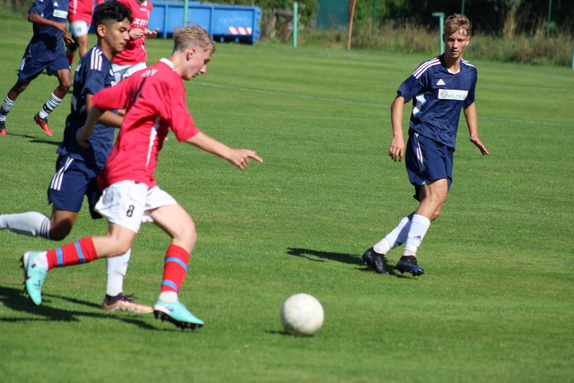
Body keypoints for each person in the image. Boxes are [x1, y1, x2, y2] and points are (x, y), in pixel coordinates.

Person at [21, 25, 264, 330]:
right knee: (118, 243)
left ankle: (168, 299)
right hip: (129, 172)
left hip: (138, 175)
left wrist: (86, 130)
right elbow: (185, 132)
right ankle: (41, 261)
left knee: (185, 230)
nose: (203, 70)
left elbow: (101, 101)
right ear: (190, 53)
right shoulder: (168, 81)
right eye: (205, 61)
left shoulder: (145, 74)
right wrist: (229, 152)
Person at [1, 1, 153, 314]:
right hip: (78, 156)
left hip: (103, 158)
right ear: (102, 30)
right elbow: (94, 107)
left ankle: (114, 296)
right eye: (121, 30)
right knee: (59, 228)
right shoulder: (97, 62)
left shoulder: (105, 59)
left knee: (121, 223)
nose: (127, 36)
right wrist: (133, 120)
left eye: (128, 30)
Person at [362, 14, 489, 276]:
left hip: (446, 145)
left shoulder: (470, 73)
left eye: (460, 40)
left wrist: (474, 133)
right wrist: (398, 135)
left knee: (433, 208)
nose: (455, 44)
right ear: (444, 39)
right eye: (451, 39)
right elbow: (399, 100)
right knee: (437, 194)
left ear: (468, 41)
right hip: (423, 138)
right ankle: (408, 256)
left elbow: (469, 102)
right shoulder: (429, 69)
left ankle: (377, 252)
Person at [0, 0, 74, 137]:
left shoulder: (66, 2)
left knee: (66, 83)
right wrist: (55, 24)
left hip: (57, 51)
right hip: (38, 52)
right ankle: (1, 118)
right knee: (20, 87)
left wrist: (65, 36)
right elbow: (32, 16)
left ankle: (42, 116)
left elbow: (59, 22)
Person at [112, 0, 159, 83]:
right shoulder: (125, 2)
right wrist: (128, 33)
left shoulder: (149, 6)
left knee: (139, 86)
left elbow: (138, 25)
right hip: (119, 57)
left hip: (137, 58)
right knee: (111, 92)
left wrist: (147, 32)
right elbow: (112, 25)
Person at [66, 0, 105, 65]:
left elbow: (100, 2)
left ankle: (66, 66)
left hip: (88, 17)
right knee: (83, 42)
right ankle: (86, 67)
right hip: (76, 14)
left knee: (73, 44)